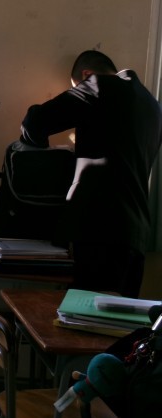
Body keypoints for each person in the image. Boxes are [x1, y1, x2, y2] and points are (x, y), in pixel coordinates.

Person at [21, 50, 162, 298]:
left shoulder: (99, 85)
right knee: (119, 319)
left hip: (99, 230)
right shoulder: (153, 105)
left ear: (86, 75)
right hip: (136, 235)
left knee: (84, 316)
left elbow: (35, 122)